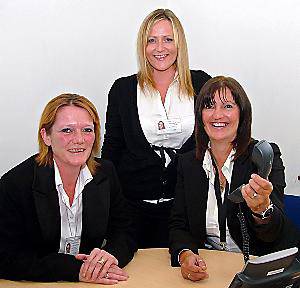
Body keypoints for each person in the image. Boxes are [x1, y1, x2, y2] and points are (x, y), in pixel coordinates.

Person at [169, 76, 297, 281]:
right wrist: (185, 254)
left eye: (227, 106)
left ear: (242, 114)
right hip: (212, 269)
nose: (217, 114)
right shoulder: (188, 163)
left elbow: (277, 233)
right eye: (209, 106)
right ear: (200, 115)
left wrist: (261, 210)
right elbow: (179, 225)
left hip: (260, 271)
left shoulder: (264, 156)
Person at [101, 8, 211, 248]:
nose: (160, 48)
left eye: (168, 39)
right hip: (132, 211)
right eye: (152, 40)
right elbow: (112, 149)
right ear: (143, 46)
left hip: (184, 212)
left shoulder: (201, 83)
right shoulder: (123, 90)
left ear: (179, 44)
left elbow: (213, 140)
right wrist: (106, 202)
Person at [0, 94, 136, 283]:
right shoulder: (15, 184)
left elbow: (125, 231)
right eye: (67, 130)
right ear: (46, 136)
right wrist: (73, 270)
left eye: (87, 129)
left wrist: (110, 256)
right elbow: (6, 257)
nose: (79, 139)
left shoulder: (106, 173)